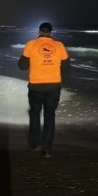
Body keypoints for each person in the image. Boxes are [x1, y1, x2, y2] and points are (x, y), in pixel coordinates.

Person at [18, 22, 69, 158]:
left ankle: (35, 143)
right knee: (50, 116)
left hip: (36, 86)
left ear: (39, 32)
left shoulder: (31, 44)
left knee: (35, 114)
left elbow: (22, 66)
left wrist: (35, 60)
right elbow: (65, 66)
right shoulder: (59, 45)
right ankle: (47, 150)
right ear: (51, 33)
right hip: (53, 86)